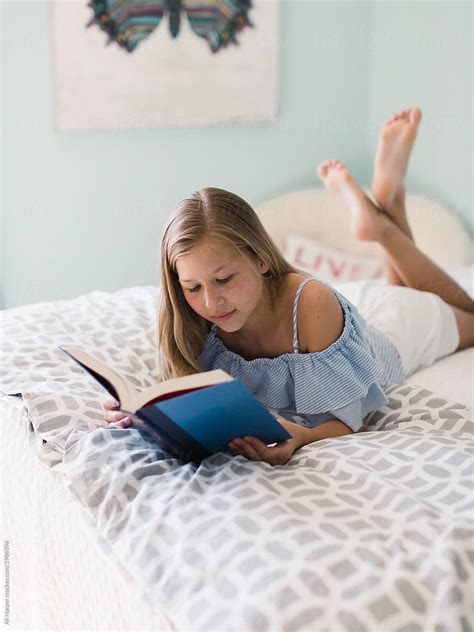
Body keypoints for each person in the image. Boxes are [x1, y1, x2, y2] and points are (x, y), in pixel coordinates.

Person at [103, 107, 474, 465]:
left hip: (391, 338)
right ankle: (388, 204)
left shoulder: (311, 302)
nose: (211, 301)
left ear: (262, 259)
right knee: (398, 291)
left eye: (224, 279)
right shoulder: (193, 313)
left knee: (461, 315)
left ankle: (381, 226)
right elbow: (185, 394)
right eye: (193, 286)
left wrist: (300, 436)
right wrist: (142, 416)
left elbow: (352, 418)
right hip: (347, 320)